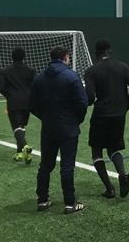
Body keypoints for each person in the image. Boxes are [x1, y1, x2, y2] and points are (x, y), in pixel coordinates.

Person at [30, 47, 88, 214]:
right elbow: (82, 103)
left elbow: (33, 105)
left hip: (48, 127)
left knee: (45, 166)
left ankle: (42, 200)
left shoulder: (40, 78)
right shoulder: (71, 76)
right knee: (67, 166)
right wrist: (76, 119)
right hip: (68, 127)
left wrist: (46, 117)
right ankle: (70, 203)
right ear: (66, 57)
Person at [84, 39, 129, 199]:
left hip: (101, 115)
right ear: (109, 52)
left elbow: (90, 97)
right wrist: (126, 106)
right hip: (119, 115)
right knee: (114, 149)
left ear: (96, 54)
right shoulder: (122, 66)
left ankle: (109, 188)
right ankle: (123, 174)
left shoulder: (91, 71)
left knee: (96, 151)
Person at [0, 47, 36, 162]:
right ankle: (20, 153)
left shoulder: (5, 71)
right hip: (28, 102)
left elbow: (0, 87)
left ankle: (25, 146)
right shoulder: (31, 70)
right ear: (24, 57)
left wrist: (9, 95)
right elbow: (35, 85)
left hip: (13, 101)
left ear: (11, 57)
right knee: (21, 126)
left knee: (16, 126)